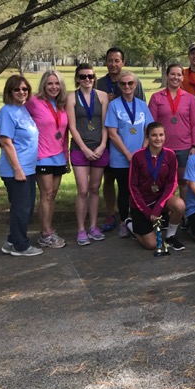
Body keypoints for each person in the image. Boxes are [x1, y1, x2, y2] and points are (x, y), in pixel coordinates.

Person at [97, 47, 146, 233]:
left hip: (131, 137)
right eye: (110, 60)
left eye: (117, 60)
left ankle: (134, 216)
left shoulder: (135, 82)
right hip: (107, 137)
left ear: (123, 62)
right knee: (110, 178)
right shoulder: (99, 83)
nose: (113, 64)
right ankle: (112, 214)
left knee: (132, 182)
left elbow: (140, 110)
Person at [105, 70, 154, 238]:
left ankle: (140, 220)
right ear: (119, 85)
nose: (127, 86)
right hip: (121, 158)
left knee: (141, 190)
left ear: (136, 85)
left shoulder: (142, 105)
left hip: (140, 157)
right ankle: (124, 222)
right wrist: (127, 154)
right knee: (124, 190)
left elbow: (149, 130)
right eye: (123, 83)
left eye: (130, 83)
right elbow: (112, 134)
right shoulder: (113, 106)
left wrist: (142, 151)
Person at [0, 75, 41, 256]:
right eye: (17, 89)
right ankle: (20, 246)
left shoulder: (22, 110)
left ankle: (11, 241)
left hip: (28, 168)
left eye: (25, 89)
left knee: (25, 207)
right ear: (9, 92)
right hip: (15, 169)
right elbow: (6, 142)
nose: (22, 92)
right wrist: (17, 170)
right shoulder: (7, 112)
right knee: (22, 209)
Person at [25, 70, 69, 249]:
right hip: (42, 156)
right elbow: (18, 116)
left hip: (59, 156)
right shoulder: (34, 102)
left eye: (57, 83)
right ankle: (45, 234)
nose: (54, 87)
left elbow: (64, 134)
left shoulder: (62, 105)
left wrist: (66, 157)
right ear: (43, 85)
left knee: (52, 195)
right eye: (50, 83)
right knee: (47, 194)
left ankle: (48, 229)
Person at [67, 64, 110, 245]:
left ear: (94, 78)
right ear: (77, 79)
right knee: (83, 190)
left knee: (94, 188)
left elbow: (106, 124)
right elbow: (72, 126)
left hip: (99, 148)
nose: (87, 80)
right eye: (83, 76)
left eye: (90, 76)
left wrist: (102, 145)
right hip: (80, 148)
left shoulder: (102, 96)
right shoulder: (71, 97)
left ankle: (93, 226)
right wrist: (84, 148)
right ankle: (81, 229)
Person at [128, 122, 186, 251]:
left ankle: (170, 237)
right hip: (141, 203)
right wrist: (146, 210)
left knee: (179, 205)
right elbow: (132, 186)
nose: (158, 138)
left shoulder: (170, 155)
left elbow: (172, 183)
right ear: (147, 137)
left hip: (160, 199)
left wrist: (159, 207)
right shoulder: (137, 156)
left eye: (161, 135)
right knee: (152, 245)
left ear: (165, 136)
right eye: (154, 135)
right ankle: (131, 226)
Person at [149, 63, 195, 202]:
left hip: (184, 147)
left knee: (184, 181)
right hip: (162, 147)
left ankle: (184, 211)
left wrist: (194, 146)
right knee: (164, 182)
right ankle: (165, 210)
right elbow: (151, 125)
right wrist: (152, 146)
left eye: (179, 74)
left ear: (183, 77)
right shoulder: (156, 97)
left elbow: (194, 124)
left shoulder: (189, 98)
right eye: (172, 74)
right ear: (167, 75)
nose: (175, 77)